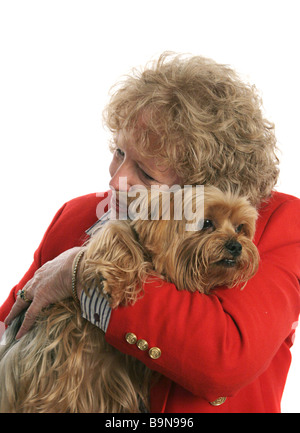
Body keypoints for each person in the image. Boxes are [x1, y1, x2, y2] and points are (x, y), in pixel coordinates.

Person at [1, 53, 299, 413]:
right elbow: (13, 327)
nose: (116, 181)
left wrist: (82, 272)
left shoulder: (281, 225)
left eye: (145, 173)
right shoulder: (77, 216)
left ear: (204, 190)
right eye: (119, 152)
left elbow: (224, 359)